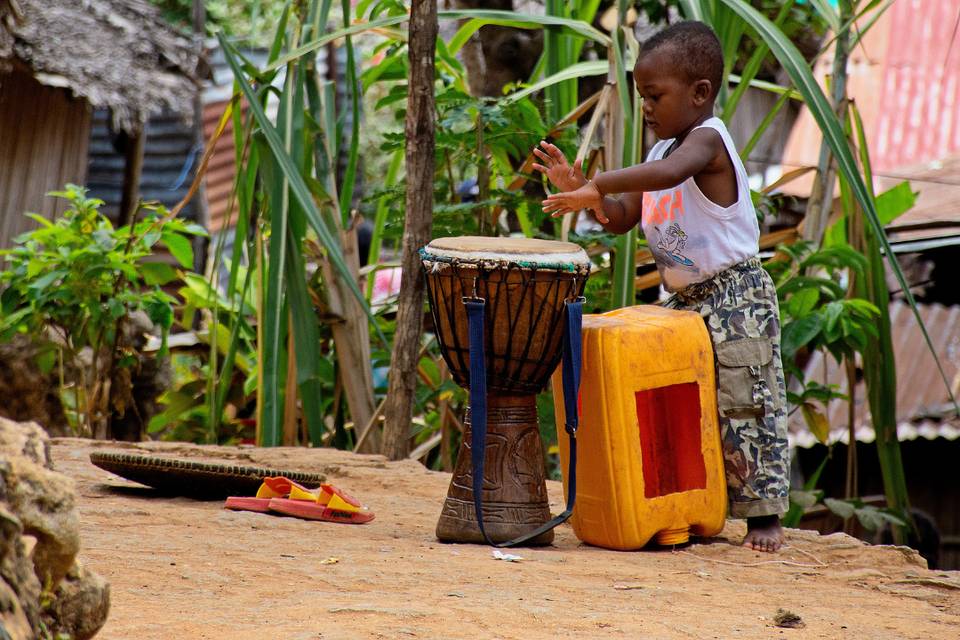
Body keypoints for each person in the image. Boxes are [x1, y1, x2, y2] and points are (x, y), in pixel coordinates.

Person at [532, 20, 790, 552]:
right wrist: (591, 194)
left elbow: (675, 174)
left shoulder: (706, 142)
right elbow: (625, 215)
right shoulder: (656, 157)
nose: (645, 108)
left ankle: (764, 516)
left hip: (733, 296)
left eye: (654, 95)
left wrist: (598, 183)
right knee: (684, 401)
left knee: (745, 401)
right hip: (682, 300)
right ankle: (689, 499)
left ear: (699, 93)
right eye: (641, 96)